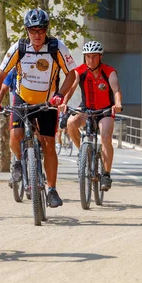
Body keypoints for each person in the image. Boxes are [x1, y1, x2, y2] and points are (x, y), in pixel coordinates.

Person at [0, 9, 77, 208]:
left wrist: (60, 95)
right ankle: (18, 160)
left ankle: (52, 189)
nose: (37, 35)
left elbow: (71, 74)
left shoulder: (56, 47)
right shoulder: (18, 47)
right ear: (26, 30)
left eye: (41, 30)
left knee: (49, 144)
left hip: (47, 102)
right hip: (22, 99)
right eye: (32, 30)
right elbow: (0, 76)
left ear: (46, 30)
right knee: (16, 135)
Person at [60, 41, 123, 191]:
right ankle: (82, 153)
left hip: (105, 110)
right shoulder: (80, 71)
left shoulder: (109, 71)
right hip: (86, 108)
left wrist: (118, 103)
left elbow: (116, 88)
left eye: (94, 57)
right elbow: (72, 86)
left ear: (100, 57)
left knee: (106, 137)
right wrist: (64, 102)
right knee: (70, 123)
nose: (91, 60)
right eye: (88, 57)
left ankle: (106, 174)